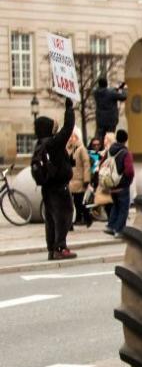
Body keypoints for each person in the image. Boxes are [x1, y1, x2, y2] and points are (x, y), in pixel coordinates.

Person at [34, 99, 77, 260]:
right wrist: (69, 109)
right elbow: (67, 128)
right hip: (60, 188)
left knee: (51, 219)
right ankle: (60, 247)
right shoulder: (53, 143)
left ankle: (52, 248)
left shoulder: (40, 145)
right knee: (64, 216)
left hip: (48, 188)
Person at [105, 129, 135, 236]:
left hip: (111, 184)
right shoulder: (125, 153)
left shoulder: (110, 151)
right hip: (122, 185)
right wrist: (129, 180)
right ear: (126, 140)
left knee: (116, 206)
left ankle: (111, 226)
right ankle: (119, 230)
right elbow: (129, 170)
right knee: (123, 209)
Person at [67, 129, 92, 228]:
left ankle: (87, 217)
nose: (70, 139)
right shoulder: (67, 149)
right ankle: (70, 224)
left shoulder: (81, 149)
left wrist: (86, 179)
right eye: (69, 137)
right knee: (69, 204)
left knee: (79, 203)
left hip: (79, 180)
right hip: (70, 181)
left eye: (72, 137)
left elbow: (86, 164)